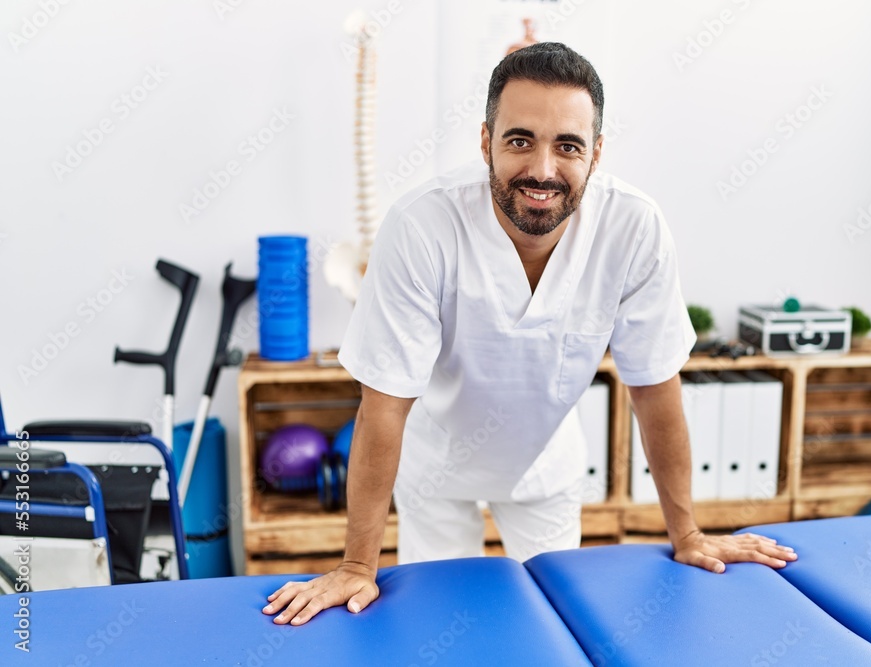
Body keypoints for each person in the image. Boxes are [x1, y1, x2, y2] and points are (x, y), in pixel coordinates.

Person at [264, 42, 796, 626]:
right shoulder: (422, 227)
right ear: (486, 140)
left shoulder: (634, 227)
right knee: (441, 623)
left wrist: (688, 532)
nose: (542, 169)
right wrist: (357, 566)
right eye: (520, 140)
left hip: (545, 466)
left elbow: (653, 387)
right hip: (436, 463)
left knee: (551, 622)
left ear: (595, 154)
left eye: (567, 145)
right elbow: (384, 406)